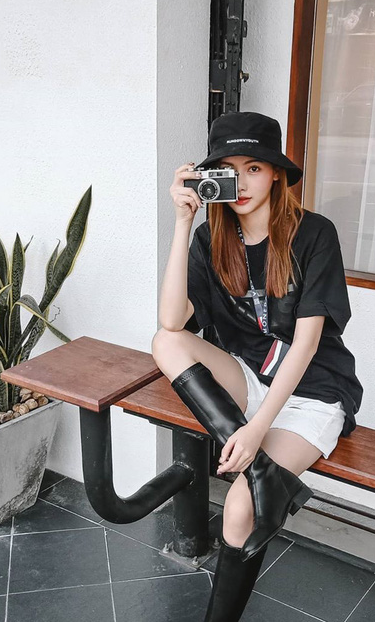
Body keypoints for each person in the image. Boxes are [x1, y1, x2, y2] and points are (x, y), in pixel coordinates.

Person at [152, 111, 363, 621]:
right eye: (227, 170)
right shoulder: (211, 240)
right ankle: (263, 472)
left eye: (253, 168)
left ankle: (257, 476)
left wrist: (255, 430)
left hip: (312, 392)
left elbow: (306, 345)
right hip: (251, 381)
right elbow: (172, 320)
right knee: (165, 341)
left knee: (239, 508)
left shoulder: (314, 234)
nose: (241, 183)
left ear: (274, 174)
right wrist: (182, 224)